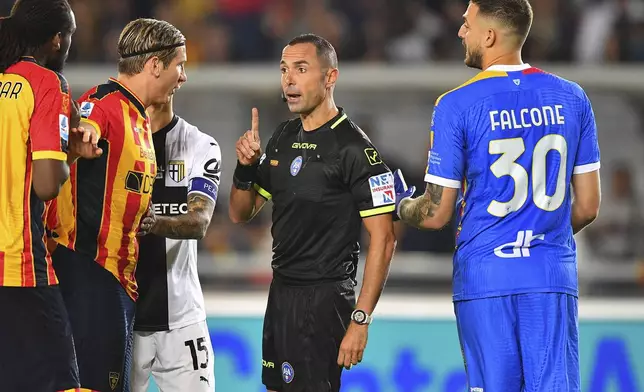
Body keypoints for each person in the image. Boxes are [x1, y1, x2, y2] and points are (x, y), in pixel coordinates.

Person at [393, 0, 601, 391]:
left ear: (488, 35)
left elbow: (436, 213)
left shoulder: (455, 104)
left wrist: (402, 204)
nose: (460, 32)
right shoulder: (573, 98)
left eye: (467, 24)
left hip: (486, 276)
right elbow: (588, 206)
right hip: (550, 274)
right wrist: (540, 230)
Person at [229, 33, 397, 392]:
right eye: (284, 69)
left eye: (301, 69)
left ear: (330, 77)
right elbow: (239, 213)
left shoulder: (354, 149)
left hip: (324, 298)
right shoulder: (282, 137)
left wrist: (361, 320)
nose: (289, 79)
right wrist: (244, 167)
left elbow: (384, 237)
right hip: (281, 292)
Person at [48, 18, 188, 392]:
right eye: (179, 65)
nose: (184, 77)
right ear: (154, 65)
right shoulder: (103, 103)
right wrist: (84, 136)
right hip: (89, 272)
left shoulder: (139, 116)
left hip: (117, 281)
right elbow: (85, 127)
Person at [0, 0, 101, 390]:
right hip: (18, 265)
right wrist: (69, 154)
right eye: (70, 36)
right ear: (57, 40)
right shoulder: (45, 82)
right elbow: (45, 183)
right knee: (63, 383)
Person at [131, 95, 220, 391]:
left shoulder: (199, 144)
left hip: (182, 320)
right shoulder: (114, 142)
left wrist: (156, 223)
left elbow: (200, 221)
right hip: (120, 317)